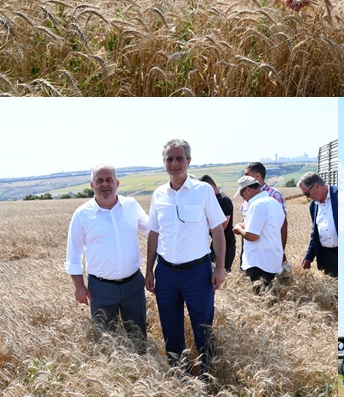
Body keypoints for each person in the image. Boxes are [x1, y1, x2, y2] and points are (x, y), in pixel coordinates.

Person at [145, 139, 226, 371]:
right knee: (170, 327)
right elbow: (153, 234)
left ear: (189, 161)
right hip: (166, 273)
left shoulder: (203, 191)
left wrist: (219, 268)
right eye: (169, 159)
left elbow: (218, 230)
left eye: (179, 158)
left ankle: (207, 373)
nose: (174, 163)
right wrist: (149, 270)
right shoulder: (158, 194)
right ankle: (178, 372)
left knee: (203, 327)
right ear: (164, 163)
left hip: (197, 273)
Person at [65, 165, 149, 340]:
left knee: (138, 336)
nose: (105, 185)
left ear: (117, 183)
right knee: (105, 339)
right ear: (92, 185)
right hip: (100, 289)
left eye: (109, 180)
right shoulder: (82, 214)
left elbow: (152, 230)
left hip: (133, 284)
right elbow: (74, 254)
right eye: (99, 181)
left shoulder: (131, 206)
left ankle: (140, 366)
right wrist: (79, 287)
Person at [232, 175, 286, 290]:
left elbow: (252, 236)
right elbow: (269, 227)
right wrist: (246, 226)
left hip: (259, 262)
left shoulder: (257, 205)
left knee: (260, 297)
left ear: (248, 190)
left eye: (242, 195)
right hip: (272, 259)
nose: (243, 199)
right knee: (270, 296)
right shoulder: (274, 202)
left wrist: (238, 229)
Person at [242, 162, 288, 264]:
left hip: (267, 253)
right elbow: (245, 220)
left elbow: (283, 224)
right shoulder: (246, 193)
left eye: (246, 175)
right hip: (250, 250)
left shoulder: (274, 195)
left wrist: (281, 251)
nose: (244, 178)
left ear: (257, 176)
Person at [298, 172, 338, 277]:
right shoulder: (313, 206)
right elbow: (315, 234)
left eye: (307, 193)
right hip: (327, 257)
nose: (307, 198)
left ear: (316, 186)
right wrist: (309, 257)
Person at [199, 175, 235, 273]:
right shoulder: (214, 199)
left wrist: (198, 228)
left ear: (210, 187)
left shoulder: (224, 201)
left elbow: (222, 227)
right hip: (215, 243)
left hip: (226, 245)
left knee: (222, 273)